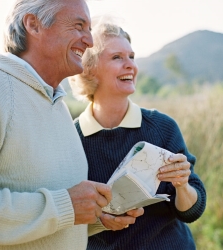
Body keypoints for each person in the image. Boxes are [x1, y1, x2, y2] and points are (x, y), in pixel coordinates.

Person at [0, 1, 116, 249]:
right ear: (33, 24)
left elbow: (52, 217)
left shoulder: (58, 104)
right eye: (79, 26)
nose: (90, 41)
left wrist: (95, 217)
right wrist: (66, 207)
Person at [69, 19, 206, 249]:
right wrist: (99, 221)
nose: (130, 65)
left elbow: (191, 211)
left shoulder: (162, 128)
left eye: (131, 56)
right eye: (117, 57)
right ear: (89, 69)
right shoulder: (71, 138)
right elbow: (67, 216)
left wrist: (183, 185)